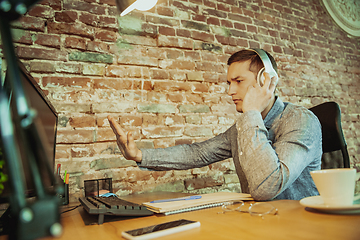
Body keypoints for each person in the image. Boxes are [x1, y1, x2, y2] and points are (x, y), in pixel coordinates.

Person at [108, 49, 322, 201]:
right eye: (229, 83)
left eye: (239, 81)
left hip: (298, 228)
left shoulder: (301, 121)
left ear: (266, 81)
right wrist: (140, 155)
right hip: (260, 225)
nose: (230, 91)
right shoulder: (244, 126)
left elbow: (267, 187)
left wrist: (251, 113)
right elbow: (198, 153)